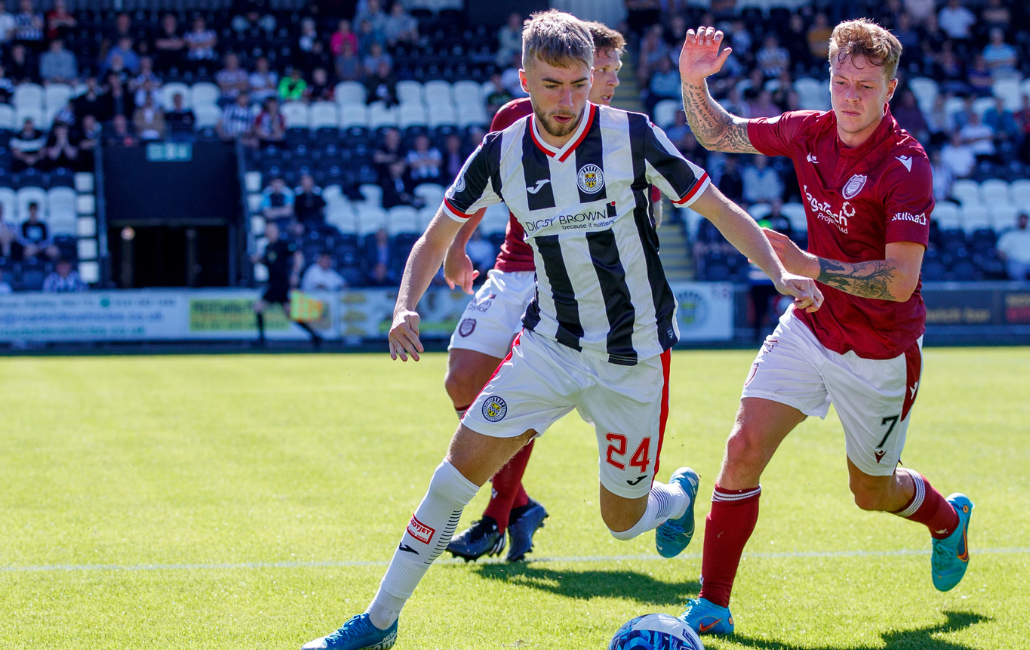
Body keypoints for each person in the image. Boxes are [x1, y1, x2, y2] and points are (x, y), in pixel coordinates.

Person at [299, 12, 821, 650]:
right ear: (525, 79)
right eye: (552, 85)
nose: (569, 100)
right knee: (450, 477)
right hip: (548, 346)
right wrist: (406, 305)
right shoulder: (501, 151)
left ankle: (673, 499)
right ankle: (378, 623)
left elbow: (718, 209)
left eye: (579, 83)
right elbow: (435, 238)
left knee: (622, 523)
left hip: (633, 360)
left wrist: (775, 272)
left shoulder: (633, 135)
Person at [674, 20, 971, 637]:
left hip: (881, 352)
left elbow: (899, 281)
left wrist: (812, 265)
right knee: (743, 447)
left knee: (870, 491)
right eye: (840, 81)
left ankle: (946, 521)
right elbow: (718, 132)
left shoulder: (906, 164)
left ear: (891, 88)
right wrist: (693, 83)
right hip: (810, 324)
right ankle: (712, 604)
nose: (849, 97)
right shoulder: (809, 130)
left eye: (865, 85)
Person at [440, 20, 659, 564]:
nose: (606, 82)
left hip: (566, 282)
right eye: (601, 71)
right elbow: (477, 191)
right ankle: (520, 505)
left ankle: (497, 514)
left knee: (521, 390)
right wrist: (455, 246)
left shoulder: (622, 134)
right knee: (462, 378)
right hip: (514, 265)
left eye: (610, 74)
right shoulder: (515, 119)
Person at [252, 221, 321, 348]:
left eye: (272, 230)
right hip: (274, 283)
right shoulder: (268, 248)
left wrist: (295, 273)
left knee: (257, 307)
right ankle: (315, 336)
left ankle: (261, 340)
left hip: (280, 284)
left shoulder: (283, 244)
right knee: (290, 313)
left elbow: (298, 255)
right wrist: (259, 260)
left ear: (277, 231)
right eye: (268, 231)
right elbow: (270, 263)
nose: (270, 233)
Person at [998, 213, 1030, 281]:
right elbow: (1000, 249)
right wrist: (1006, 260)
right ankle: (1022, 289)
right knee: (1015, 272)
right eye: (1021, 220)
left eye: (1025, 220)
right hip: (1016, 260)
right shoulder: (1009, 234)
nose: (1023, 222)